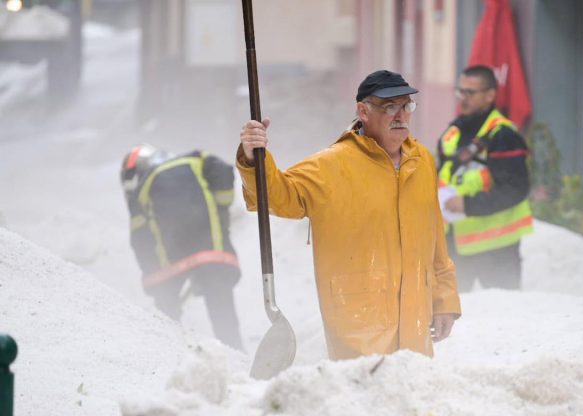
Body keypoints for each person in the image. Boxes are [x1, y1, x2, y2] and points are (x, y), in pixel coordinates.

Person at [237, 70, 461, 360]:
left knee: (409, 393)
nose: (401, 116)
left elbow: (435, 240)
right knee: (363, 396)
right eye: (390, 107)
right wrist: (253, 155)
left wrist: (444, 301)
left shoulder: (422, 162)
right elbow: (279, 196)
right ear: (363, 111)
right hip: (358, 323)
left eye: (406, 106)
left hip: (415, 320)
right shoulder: (332, 165)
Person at [120, 144, 244, 351]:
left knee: (167, 315)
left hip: (172, 267)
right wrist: (220, 207)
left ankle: (173, 353)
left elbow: (141, 242)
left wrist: (155, 284)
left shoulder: (141, 189)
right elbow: (223, 174)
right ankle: (238, 356)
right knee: (223, 313)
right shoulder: (197, 160)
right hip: (214, 255)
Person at [436, 65, 533, 292]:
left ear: (490, 95)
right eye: (460, 92)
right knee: (456, 319)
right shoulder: (453, 133)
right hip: (456, 246)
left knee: (504, 319)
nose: (463, 98)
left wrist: (467, 205)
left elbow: (515, 189)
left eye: (470, 93)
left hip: (497, 249)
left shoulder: (503, 135)